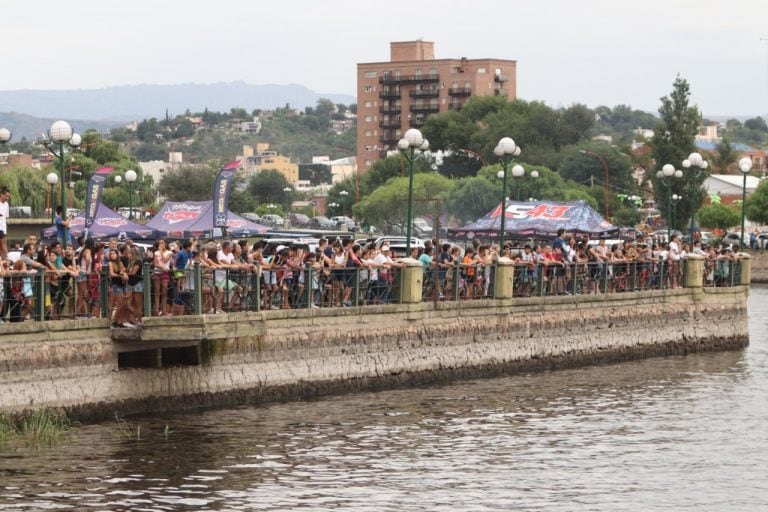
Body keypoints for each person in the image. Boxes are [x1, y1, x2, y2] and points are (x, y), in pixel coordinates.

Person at [0, 186, 9, 260]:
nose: (7, 198)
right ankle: (7, 258)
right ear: (1, 195)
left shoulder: (6, 205)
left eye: (8, 196)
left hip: (3, 228)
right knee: (3, 243)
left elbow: (5, 217)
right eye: (6, 196)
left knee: (2, 244)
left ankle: (3, 261)